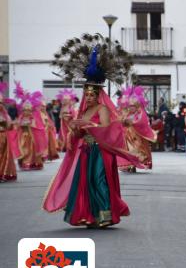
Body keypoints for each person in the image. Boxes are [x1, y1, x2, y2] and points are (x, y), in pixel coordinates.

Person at [43, 45, 143, 227]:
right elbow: (80, 132)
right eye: (86, 94)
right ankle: (89, 215)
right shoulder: (84, 110)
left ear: (98, 95)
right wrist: (73, 127)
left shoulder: (102, 108)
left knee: (99, 180)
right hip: (86, 150)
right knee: (85, 183)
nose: (88, 97)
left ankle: (105, 215)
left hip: (101, 150)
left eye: (91, 94)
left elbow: (106, 128)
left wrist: (88, 125)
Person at [117, 87, 156, 171]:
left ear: (137, 106)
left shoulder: (139, 114)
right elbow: (120, 122)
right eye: (130, 106)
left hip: (136, 137)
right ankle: (130, 165)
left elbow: (142, 122)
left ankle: (134, 164)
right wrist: (123, 121)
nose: (131, 108)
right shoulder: (126, 114)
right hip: (127, 136)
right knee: (128, 150)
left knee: (136, 150)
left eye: (133, 106)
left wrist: (132, 123)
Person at [13, 84, 45, 171]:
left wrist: (30, 124)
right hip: (23, 136)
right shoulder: (21, 117)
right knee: (24, 150)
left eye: (28, 110)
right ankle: (25, 163)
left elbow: (37, 126)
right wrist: (19, 124)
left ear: (31, 110)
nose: (26, 112)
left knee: (31, 150)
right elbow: (17, 125)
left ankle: (32, 163)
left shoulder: (33, 117)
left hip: (31, 137)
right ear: (22, 110)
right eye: (24, 110)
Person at [0, 82, 17, 182]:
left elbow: (10, 126)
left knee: (3, 157)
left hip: (3, 137)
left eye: (1, 103)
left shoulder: (5, 114)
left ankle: (3, 173)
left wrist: (12, 123)